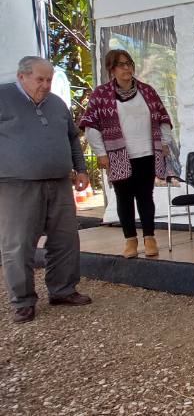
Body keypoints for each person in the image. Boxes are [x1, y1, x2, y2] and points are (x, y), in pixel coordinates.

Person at [0, 56, 92, 324]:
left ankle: (62, 290)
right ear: (21, 77)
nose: (46, 84)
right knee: (18, 244)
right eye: (40, 79)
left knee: (65, 239)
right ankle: (23, 301)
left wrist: (82, 168)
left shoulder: (57, 104)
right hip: (16, 184)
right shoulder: (3, 97)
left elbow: (72, 138)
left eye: (49, 79)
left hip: (59, 182)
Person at [81, 49, 174, 258]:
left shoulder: (147, 91)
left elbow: (163, 118)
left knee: (145, 196)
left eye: (129, 63)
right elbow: (91, 126)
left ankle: (149, 238)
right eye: (121, 64)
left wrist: (164, 143)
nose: (126, 68)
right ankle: (130, 240)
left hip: (146, 152)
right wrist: (101, 153)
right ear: (111, 68)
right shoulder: (101, 94)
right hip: (117, 154)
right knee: (124, 197)